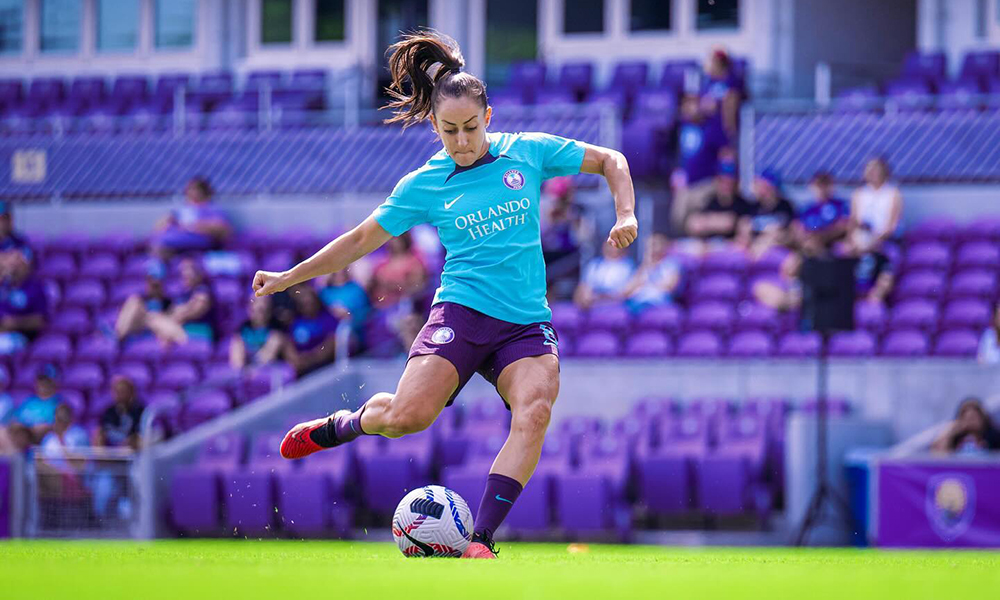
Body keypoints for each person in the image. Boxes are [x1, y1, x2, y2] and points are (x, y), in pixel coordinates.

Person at [251, 30, 637, 559]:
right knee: (407, 418)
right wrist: (288, 278)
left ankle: (481, 540)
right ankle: (343, 424)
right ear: (433, 125)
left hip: (525, 322)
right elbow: (362, 240)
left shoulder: (529, 153)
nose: (461, 140)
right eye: (449, 130)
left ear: (489, 116)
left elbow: (612, 159)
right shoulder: (423, 184)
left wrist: (626, 213)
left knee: (536, 410)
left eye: (471, 127)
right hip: (461, 312)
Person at [115, 258, 215, 345]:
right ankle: (118, 336)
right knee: (135, 303)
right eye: (183, 270)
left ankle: (118, 338)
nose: (185, 274)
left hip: (189, 333)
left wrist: (178, 314)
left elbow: (194, 310)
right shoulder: (183, 294)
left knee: (153, 318)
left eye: (189, 270)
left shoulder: (202, 291)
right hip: (172, 327)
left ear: (199, 273)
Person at [670, 94, 730, 233]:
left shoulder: (711, 127)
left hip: (707, 182)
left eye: (693, 104)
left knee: (697, 216)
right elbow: (679, 155)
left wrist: (724, 178)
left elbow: (725, 154)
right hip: (686, 184)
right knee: (678, 217)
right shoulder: (682, 127)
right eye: (686, 105)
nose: (689, 109)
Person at [150, 177, 232, 258]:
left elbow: (223, 230)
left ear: (203, 191)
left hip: (199, 239)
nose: (190, 192)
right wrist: (168, 221)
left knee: (163, 243)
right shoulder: (183, 209)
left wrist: (192, 226)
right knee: (156, 240)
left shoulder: (211, 208)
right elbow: (160, 226)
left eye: (194, 189)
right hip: (177, 237)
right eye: (189, 189)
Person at [684, 160, 753, 242]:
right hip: (711, 249)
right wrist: (719, 222)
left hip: (732, 249)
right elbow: (695, 225)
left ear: (736, 183)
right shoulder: (710, 201)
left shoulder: (743, 205)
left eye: (730, 182)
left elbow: (743, 230)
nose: (726, 185)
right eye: (722, 181)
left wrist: (710, 222)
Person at [848, 158, 903, 253]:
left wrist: (877, 239)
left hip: (885, 238)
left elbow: (893, 225)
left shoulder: (893, 193)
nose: (871, 172)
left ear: (884, 171)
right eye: (869, 169)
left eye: (875, 169)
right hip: (862, 236)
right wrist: (851, 239)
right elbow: (853, 220)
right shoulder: (859, 193)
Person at [281, 284, 338, 375]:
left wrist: (312, 358)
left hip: (325, 366)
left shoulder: (327, 318)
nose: (308, 305)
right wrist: (297, 360)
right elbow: (288, 343)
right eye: (303, 304)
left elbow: (333, 341)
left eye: (310, 303)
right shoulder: (295, 322)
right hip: (302, 368)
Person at [0, 249, 47, 354]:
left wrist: (14, 323)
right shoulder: (4, 286)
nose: (14, 266)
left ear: (27, 265)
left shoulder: (35, 288)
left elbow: (40, 321)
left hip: (18, 336)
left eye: (18, 262)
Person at [623, 233, 681, 315]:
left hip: (659, 300)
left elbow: (670, 287)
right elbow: (628, 289)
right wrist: (645, 265)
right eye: (649, 245)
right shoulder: (644, 266)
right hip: (639, 300)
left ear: (663, 246)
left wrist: (648, 283)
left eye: (654, 244)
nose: (651, 248)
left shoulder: (670, 264)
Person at [741, 169, 796, 254]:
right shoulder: (752, 206)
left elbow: (792, 234)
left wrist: (772, 241)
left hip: (778, 248)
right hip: (754, 249)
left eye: (762, 185)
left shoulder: (786, 207)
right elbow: (744, 232)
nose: (758, 188)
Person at [795, 172, 850, 255]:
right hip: (810, 242)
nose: (822, 189)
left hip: (833, 242)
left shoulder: (840, 205)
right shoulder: (807, 209)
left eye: (825, 185)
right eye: (818, 185)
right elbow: (798, 226)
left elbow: (843, 225)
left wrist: (823, 236)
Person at [9, 364, 64, 447]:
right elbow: (15, 420)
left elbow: (55, 425)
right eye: (40, 380)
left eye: (46, 380)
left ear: (54, 382)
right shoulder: (30, 401)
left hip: (40, 439)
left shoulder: (58, 403)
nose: (43, 384)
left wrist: (31, 430)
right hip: (20, 436)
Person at [114, 261, 170, 340]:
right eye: (149, 280)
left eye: (155, 285)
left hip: (154, 328)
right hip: (139, 328)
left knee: (137, 305)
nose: (151, 285)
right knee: (133, 302)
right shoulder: (142, 300)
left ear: (162, 283)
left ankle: (118, 337)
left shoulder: (167, 303)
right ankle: (118, 335)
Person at [573, 243, 635, 310]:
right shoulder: (594, 265)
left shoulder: (629, 266)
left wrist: (603, 297)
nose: (611, 248)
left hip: (618, 307)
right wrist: (584, 297)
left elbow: (627, 292)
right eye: (609, 244)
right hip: (593, 306)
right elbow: (583, 288)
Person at [700, 48, 745, 142]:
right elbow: (704, 105)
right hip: (709, 130)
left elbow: (730, 108)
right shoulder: (710, 81)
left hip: (724, 132)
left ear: (719, 64)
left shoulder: (732, 81)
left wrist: (731, 135)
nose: (708, 65)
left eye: (711, 62)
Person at [319, 269, 372, 347]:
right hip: (330, 330)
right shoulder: (324, 292)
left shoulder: (356, 289)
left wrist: (349, 315)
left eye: (342, 271)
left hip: (355, 329)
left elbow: (365, 311)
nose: (339, 274)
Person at [230, 295, 285, 369]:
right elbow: (236, 360)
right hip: (245, 368)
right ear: (249, 310)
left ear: (269, 311)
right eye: (255, 311)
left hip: (266, 368)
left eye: (263, 311)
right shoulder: (242, 329)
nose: (259, 315)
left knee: (276, 339)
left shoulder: (276, 330)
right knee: (237, 343)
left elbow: (268, 356)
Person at [931, 397, 1000, 454]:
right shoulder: (955, 438)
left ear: (982, 418)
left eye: (974, 417)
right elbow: (937, 454)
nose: (971, 421)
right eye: (966, 418)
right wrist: (950, 431)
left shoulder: (994, 437)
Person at [94, 375, 144, 450]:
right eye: (117, 392)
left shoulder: (139, 411)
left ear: (131, 392)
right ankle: (103, 461)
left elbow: (141, 434)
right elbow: (103, 430)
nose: (120, 395)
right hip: (113, 450)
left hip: (133, 451)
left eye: (123, 391)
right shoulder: (109, 412)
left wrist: (131, 441)